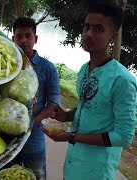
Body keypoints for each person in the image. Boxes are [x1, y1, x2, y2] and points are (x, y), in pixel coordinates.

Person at [43, 3, 137, 180]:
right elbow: (88, 106)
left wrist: (71, 137)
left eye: (98, 29)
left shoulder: (122, 80)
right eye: (86, 27)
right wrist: (67, 116)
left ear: (113, 37)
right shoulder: (84, 70)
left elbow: (124, 137)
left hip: (97, 171)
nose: (88, 34)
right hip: (72, 164)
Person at [11, 17, 61, 180]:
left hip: (34, 140)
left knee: (38, 176)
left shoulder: (47, 68)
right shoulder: (8, 64)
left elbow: (53, 104)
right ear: (13, 39)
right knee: (8, 175)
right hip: (8, 139)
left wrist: (31, 123)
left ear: (36, 39)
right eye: (19, 36)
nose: (24, 40)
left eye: (28, 36)